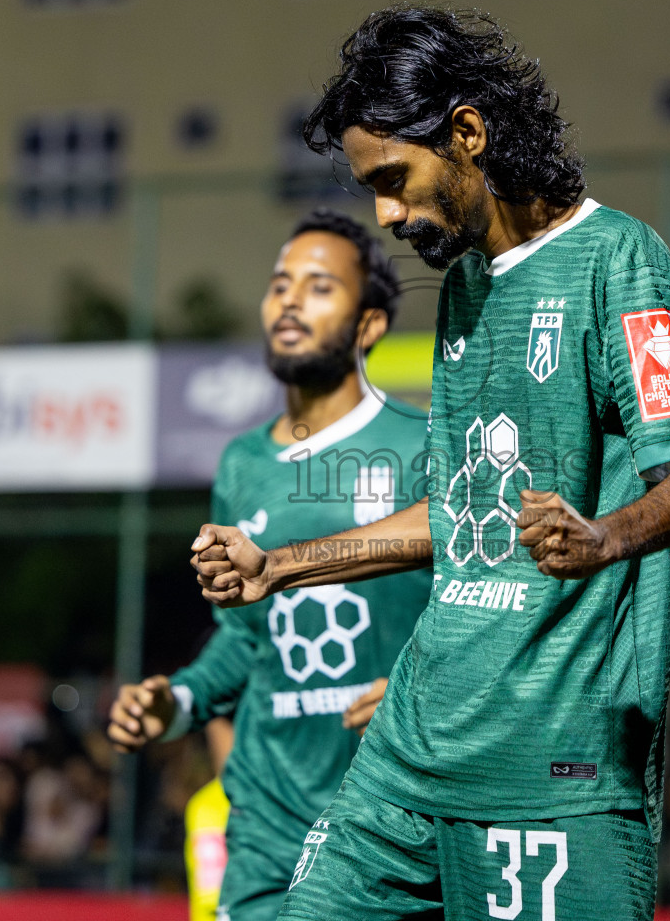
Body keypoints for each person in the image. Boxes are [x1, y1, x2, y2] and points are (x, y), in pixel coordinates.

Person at [191, 5, 670, 921]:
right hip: (411, 750)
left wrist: (603, 538)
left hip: (553, 765)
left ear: (468, 134)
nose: (387, 213)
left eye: (395, 179)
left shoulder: (621, 262)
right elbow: (461, 512)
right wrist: (279, 568)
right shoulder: (467, 289)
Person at [108, 209, 433, 921]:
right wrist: (178, 703)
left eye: (320, 287)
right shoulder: (241, 465)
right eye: (280, 284)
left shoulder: (424, 447)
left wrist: (425, 687)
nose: (289, 300)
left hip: (386, 820)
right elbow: (246, 639)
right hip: (263, 825)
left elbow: (479, 608)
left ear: (370, 325)